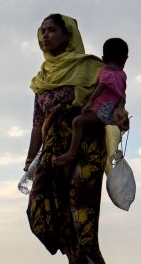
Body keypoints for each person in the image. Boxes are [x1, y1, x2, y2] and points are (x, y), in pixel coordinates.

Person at [25, 14, 108, 264]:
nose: (45, 36)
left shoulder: (90, 67)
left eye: (51, 30)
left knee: (79, 206)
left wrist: (118, 113)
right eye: (42, 31)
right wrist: (30, 159)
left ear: (67, 34)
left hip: (85, 147)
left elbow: (112, 98)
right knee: (41, 207)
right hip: (52, 153)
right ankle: (73, 259)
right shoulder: (42, 77)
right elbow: (37, 124)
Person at [53, 37, 129, 167]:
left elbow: (100, 87)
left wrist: (90, 101)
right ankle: (120, 126)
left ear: (103, 59)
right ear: (125, 59)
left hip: (102, 110)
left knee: (77, 122)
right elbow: (122, 93)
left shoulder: (106, 72)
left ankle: (71, 152)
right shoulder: (123, 75)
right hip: (112, 111)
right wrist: (120, 106)